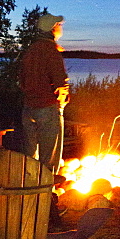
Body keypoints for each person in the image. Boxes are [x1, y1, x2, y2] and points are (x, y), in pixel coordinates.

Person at [18, 12, 70, 172]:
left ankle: (29, 188)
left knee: (30, 156)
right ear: (52, 29)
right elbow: (61, 83)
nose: (61, 27)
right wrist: (61, 103)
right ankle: (47, 192)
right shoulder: (51, 51)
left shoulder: (30, 50)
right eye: (59, 25)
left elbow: (21, 79)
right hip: (47, 108)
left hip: (28, 109)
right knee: (49, 157)